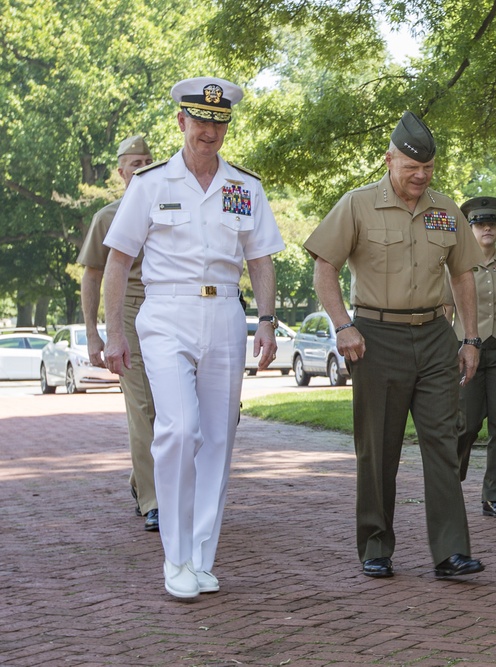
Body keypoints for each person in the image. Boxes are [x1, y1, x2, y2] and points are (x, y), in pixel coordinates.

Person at [102, 77, 285, 599]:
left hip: (225, 310)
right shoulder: (151, 183)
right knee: (180, 430)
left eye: (218, 121)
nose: (209, 131)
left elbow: (261, 258)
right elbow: (118, 261)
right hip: (165, 310)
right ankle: (175, 556)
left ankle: (202, 557)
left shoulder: (244, 187)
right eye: (200, 121)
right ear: (181, 122)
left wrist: (266, 321)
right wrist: (114, 333)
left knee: (219, 439)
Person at [305, 111, 486, 580]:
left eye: (427, 168)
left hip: (435, 336)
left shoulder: (446, 210)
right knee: (378, 447)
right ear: (389, 160)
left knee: (443, 444)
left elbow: (462, 274)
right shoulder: (357, 204)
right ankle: (376, 545)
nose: (420, 176)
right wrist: (343, 325)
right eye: (411, 167)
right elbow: (324, 267)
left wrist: (469, 337)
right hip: (375, 337)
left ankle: (450, 552)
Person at [77, 134, 159, 532]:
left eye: (148, 160)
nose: (142, 166)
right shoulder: (107, 217)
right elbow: (92, 277)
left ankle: (139, 479)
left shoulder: (170, 206)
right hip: (127, 309)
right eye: (135, 162)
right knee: (143, 406)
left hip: (169, 308)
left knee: (175, 407)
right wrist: (96, 334)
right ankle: (154, 500)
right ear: (121, 171)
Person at [447, 196, 496, 519]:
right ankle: (449, 484)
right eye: (480, 224)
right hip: (466, 351)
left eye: (492, 224)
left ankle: (494, 496)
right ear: (470, 229)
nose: (487, 229)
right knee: (466, 424)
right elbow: (445, 311)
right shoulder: (457, 266)